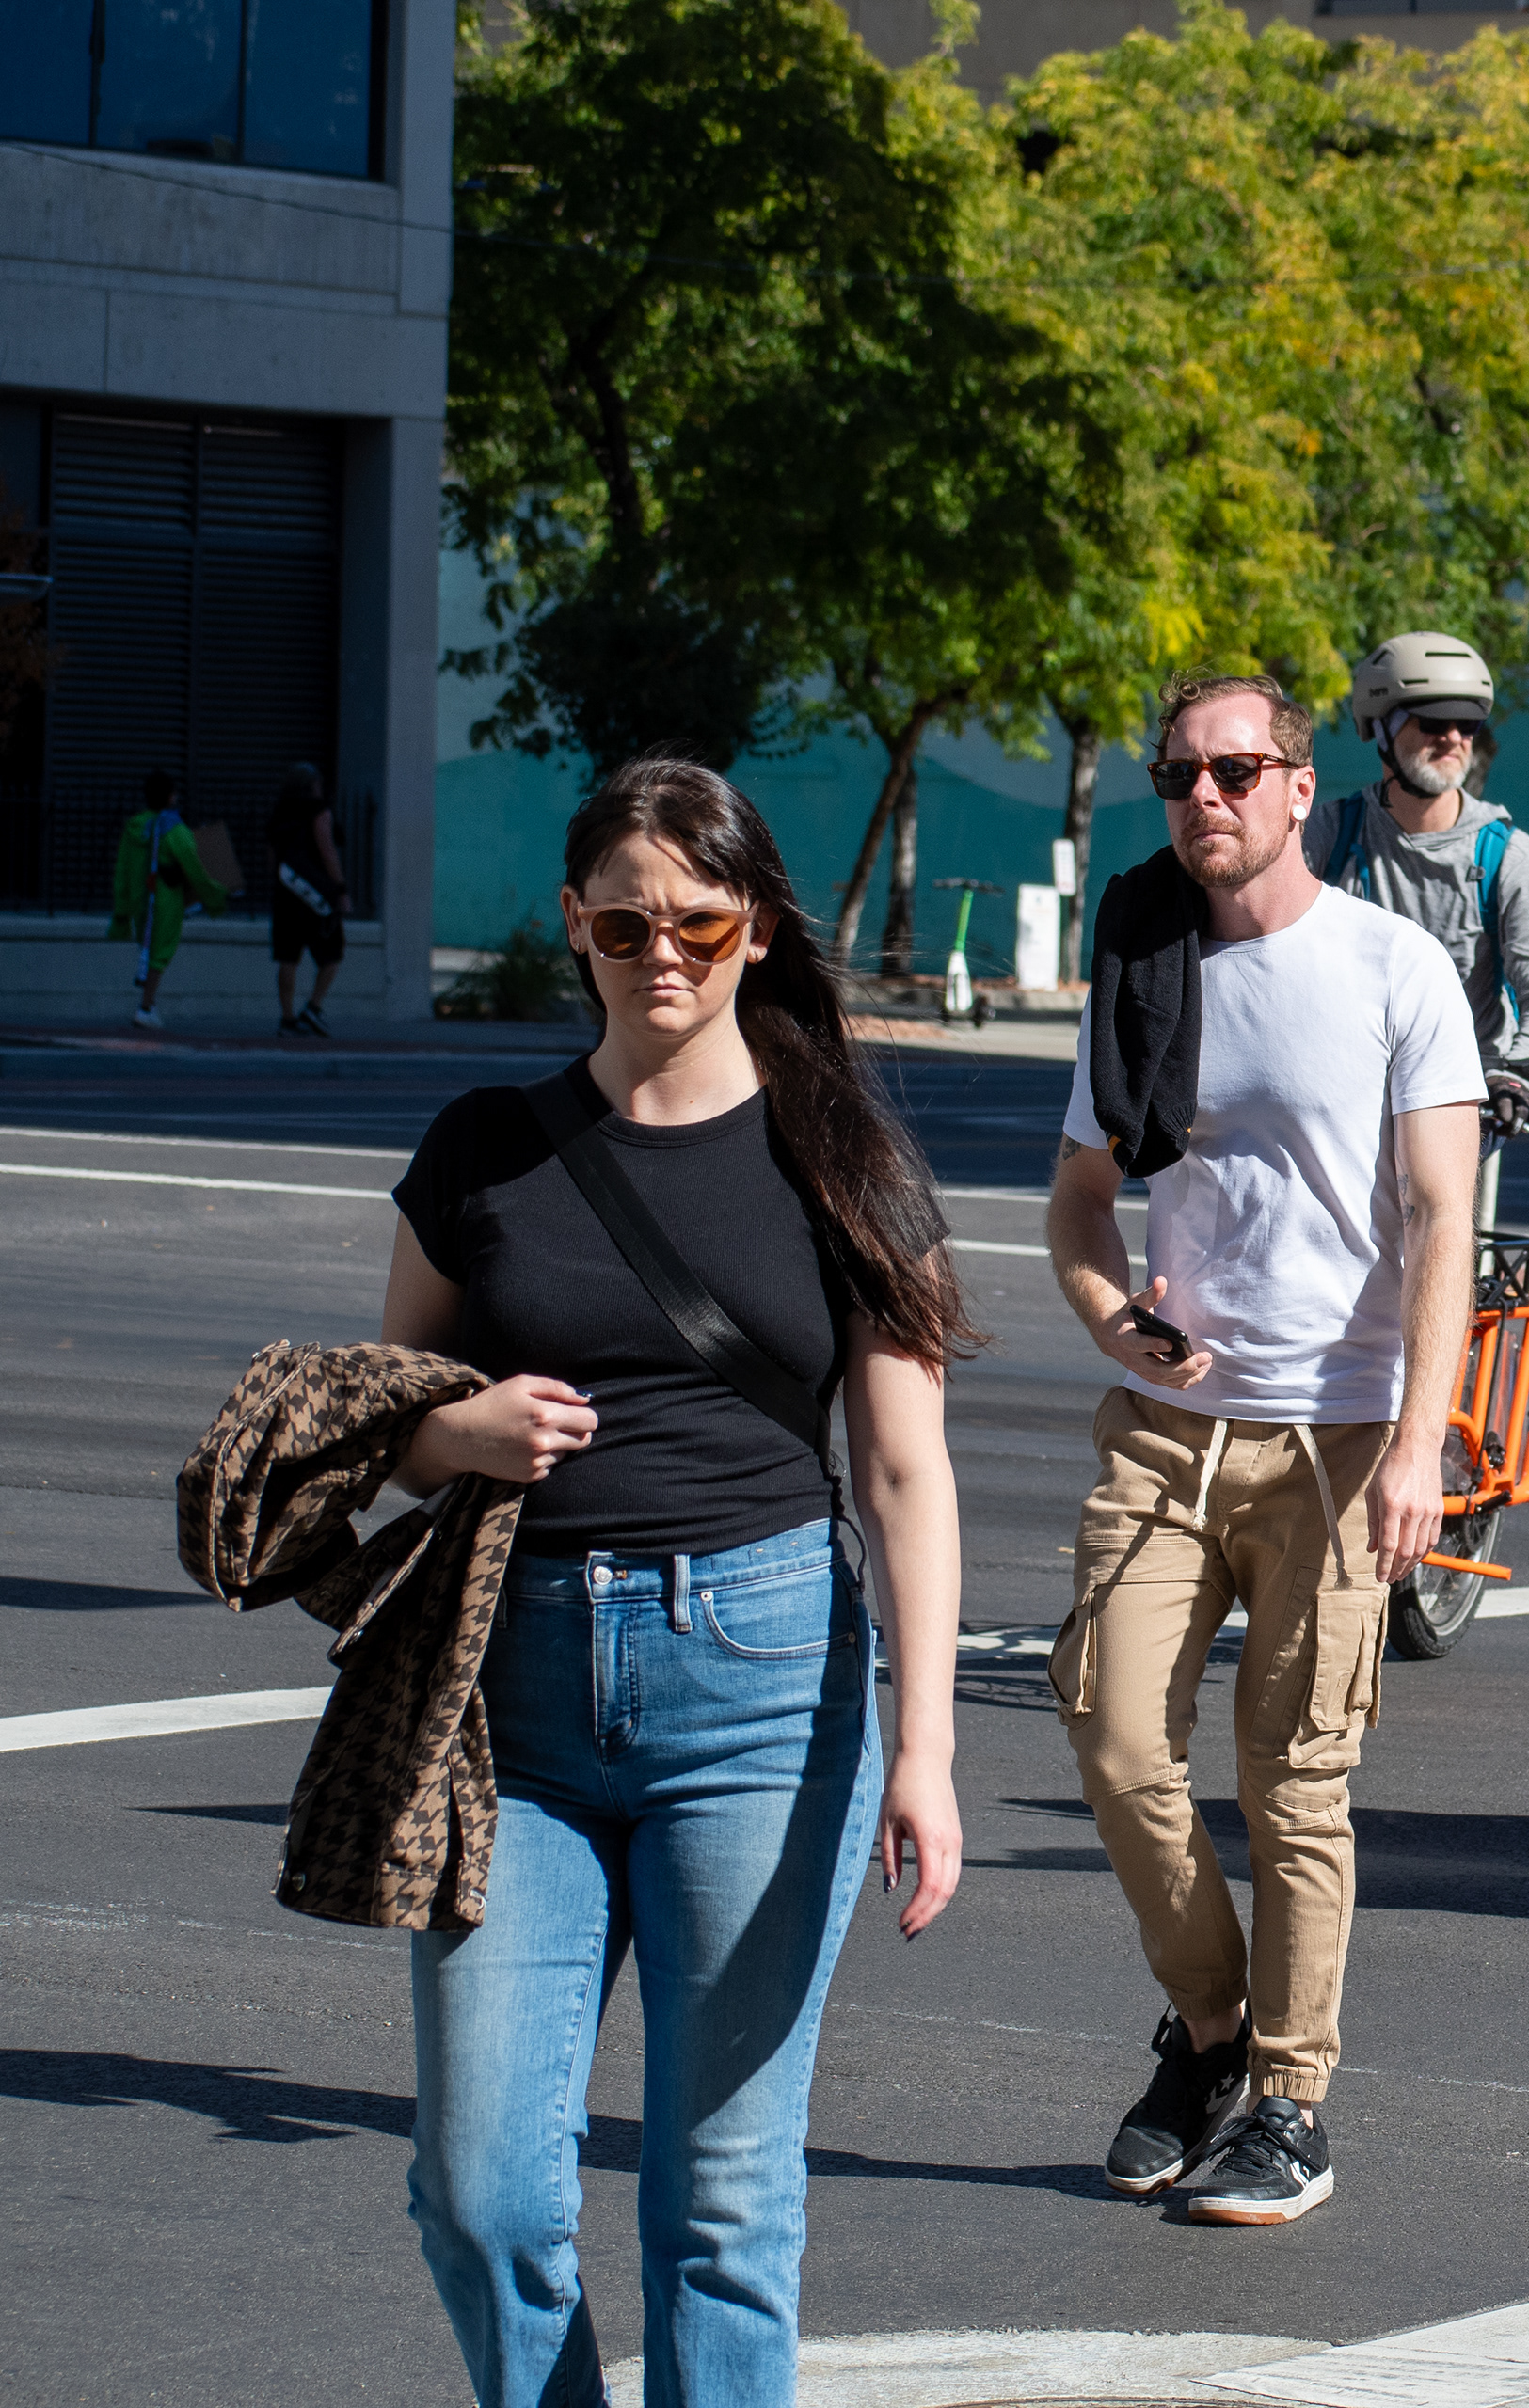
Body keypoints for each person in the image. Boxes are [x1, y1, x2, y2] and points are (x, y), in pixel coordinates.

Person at [378, 757, 971, 2407]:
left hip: (764, 1683)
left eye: (699, 923)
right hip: (514, 1698)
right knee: (484, 2190)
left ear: (759, 932)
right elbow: (381, 1418)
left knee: (721, 2195)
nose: (663, 953)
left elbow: (907, 1471)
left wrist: (924, 1748)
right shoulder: (486, 1147)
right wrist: (458, 1428)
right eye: (626, 921)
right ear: (574, 927)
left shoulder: (843, 1160)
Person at [1049, 671, 1482, 2226]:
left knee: (1295, 1784)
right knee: (1111, 1740)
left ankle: (1289, 2098)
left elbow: (1445, 1218)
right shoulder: (1141, 960)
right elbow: (1082, 1197)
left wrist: (1421, 1445)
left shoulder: (1392, 967)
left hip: (1338, 1442)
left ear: (1303, 786)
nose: (1205, 798)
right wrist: (1114, 1316)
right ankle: (1214, 2033)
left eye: (1237, 770)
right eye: (1180, 775)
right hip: (1167, 1432)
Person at [1302, 631, 1529, 1222]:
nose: (1453, 739)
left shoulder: (1509, 856)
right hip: (1327, 1110)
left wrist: (1516, 1080)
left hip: (1456, 1115)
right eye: (1432, 721)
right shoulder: (1325, 835)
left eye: (1468, 725)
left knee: (1447, 1294)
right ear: (1378, 726)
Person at [108, 768, 227, 1030]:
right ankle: (146, 1007)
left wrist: (122, 908)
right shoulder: (173, 829)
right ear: (171, 796)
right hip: (165, 902)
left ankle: (148, 1004)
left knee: (149, 951)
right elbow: (195, 865)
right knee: (159, 955)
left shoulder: (135, 827)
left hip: (141, 900)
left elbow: (122, 869)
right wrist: (215, 894)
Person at [269, 760, 351, 1036]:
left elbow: (272, 855)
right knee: (332, 954)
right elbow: (328, 851)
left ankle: (287, 1016)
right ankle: (313, 1007)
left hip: (286, 895)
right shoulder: (319, 812)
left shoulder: (279, 813)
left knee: (287, 957)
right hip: (317, 898)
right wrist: (340, 890)